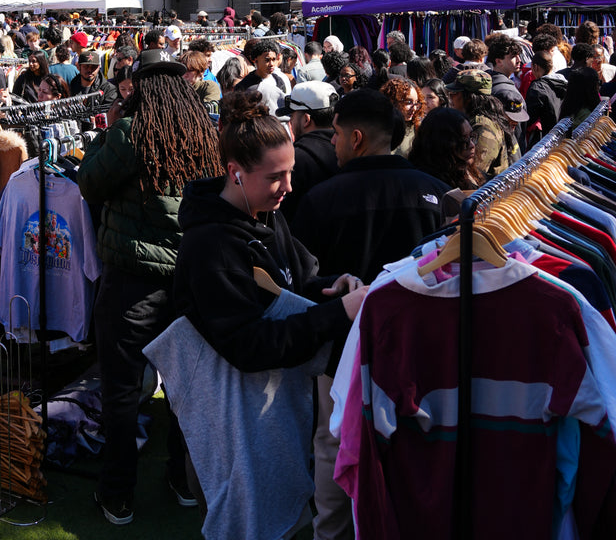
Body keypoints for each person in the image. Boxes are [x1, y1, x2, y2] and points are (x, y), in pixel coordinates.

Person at [171, 91, 365, 537]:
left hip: (270, 417)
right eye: (276, 177)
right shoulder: (209, 247)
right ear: (235, 173)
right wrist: (337, 313)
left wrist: (330, 288)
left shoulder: (264, 212)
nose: (289, 188)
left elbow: (291, 282)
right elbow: (249, 345)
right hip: (231, 429)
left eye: (291, 173)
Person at [292, 89, 448, 540]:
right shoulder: (434, 193)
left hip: (343, 350)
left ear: (356, 137)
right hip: (419, 350)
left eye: (337, 134)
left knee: (333, 441)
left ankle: (333, 531)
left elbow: (305, 280)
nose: (333, 143)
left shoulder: (321, 200)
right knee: (408, 439)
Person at [77, 50, 224, 526]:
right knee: (185, 387)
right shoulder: (202, 133)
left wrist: (109, 128)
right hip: (187, 279)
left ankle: (118, 495)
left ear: (139, 86)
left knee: (121, 391)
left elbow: (89, 183)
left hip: (133, 281)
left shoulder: (129, 132)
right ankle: (182, 480)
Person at [280, 81, 340, 221]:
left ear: (306, 120)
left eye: (292, 116)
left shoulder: (294, 158)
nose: (291, 122)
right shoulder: (350, 151)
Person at [447, 69, 519, 179]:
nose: (450, 97)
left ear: (469, 97)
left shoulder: (484, 127)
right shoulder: (475, 120)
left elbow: (474, 172)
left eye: (455, 93)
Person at [409, 106, 483, 191]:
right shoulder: (428, 185)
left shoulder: (470, 172)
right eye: (463, 140)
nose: (472, 145)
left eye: (471, 136)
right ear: (443, 145)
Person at [180, 50, 221, 115]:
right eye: (183, 70)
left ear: (201, 71)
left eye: (190, 71)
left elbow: (211, 108)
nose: (185, 74)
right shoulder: (177, 88)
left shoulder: (209, 86)